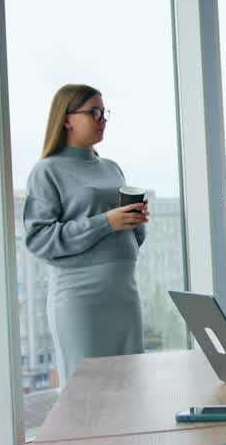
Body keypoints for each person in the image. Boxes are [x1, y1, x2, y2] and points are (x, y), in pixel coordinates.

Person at [23, 84, 149, 385]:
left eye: (104, 112)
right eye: (94, 112)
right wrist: (106, 222)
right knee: (87, 397)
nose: (102, 118)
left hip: (123, 294)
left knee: (129, 391)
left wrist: (135, 220)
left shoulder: (112, 168)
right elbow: (39, 239)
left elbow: (131, 237)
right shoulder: (47, 171)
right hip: (80, 299)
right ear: (67, 119)